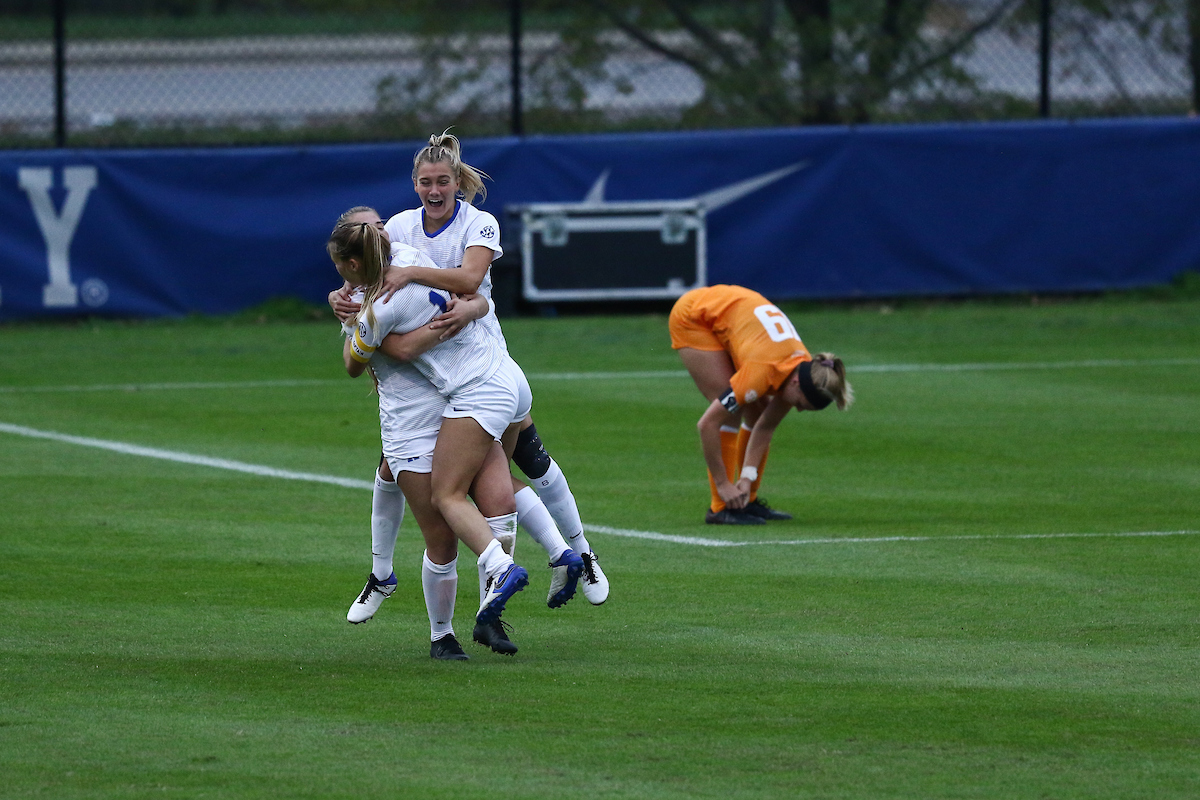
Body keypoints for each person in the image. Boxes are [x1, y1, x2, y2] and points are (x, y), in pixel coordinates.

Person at [331, 130, 609, 605]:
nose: (434, 190)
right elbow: (367, 266)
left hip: (484, 366)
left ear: (458, 182)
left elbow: (470, 280)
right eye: (425, 182)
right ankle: (404, 578)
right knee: (416, 471)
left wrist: (461, 301)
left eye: (443, 180)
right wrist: (342, 295)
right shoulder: (399, 226)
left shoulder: (480, 223)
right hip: (437, 380)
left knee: (507, 473)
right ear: (414, 184)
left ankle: (576, 556)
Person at [329, 209, 546, 658]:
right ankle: (443, 632)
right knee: (445, 533)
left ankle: (512, 572)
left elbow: (355, 363)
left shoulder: (376, 309)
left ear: (352, 262)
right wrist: (475, 307)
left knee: (467, 500)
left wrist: (353, 323)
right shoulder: (409, 257)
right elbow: (472, 289)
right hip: (437, 407)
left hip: (463, 399)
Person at [668, 284, 853, 525]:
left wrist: (747, 477)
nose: (795, 409)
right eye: (799, 403)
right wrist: (724, 483)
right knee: (730, 414)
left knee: (756, 413)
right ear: (796, 383)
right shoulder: (763, 372)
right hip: (695, 316)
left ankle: (747, 500)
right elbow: (707, 425)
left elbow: (765, 426)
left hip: (734, 314)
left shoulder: (804, 370)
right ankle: (721, 507)